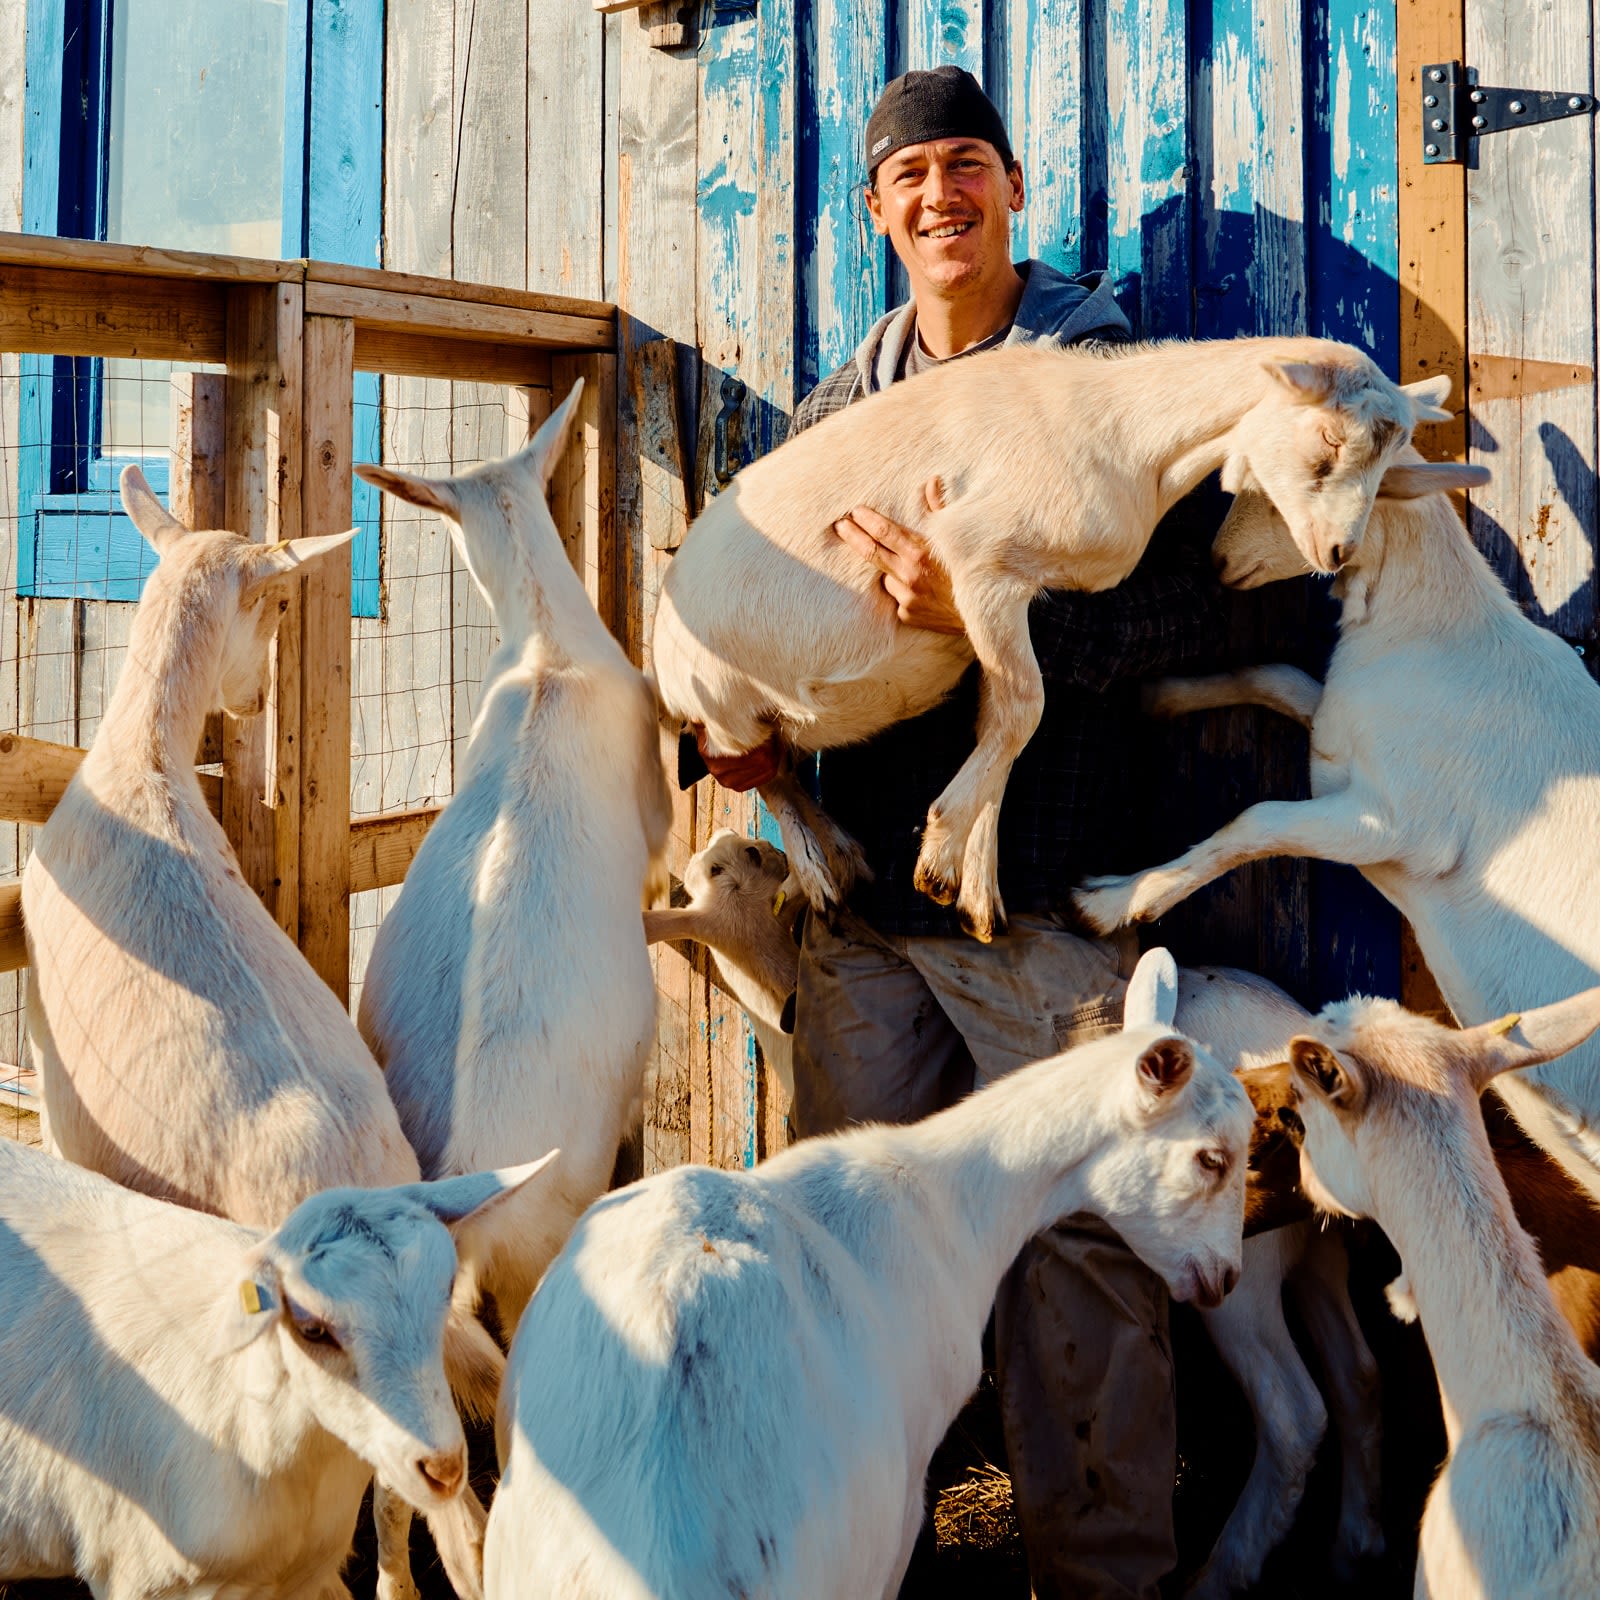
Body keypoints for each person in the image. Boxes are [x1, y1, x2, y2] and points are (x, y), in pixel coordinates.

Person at [698, 67, 1227, 1599]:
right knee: (847, 1228)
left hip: (1040, 903)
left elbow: (1200, 602)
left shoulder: (1099, 379)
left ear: (1013, 195)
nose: (940, 195)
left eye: (967, 167)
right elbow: (763, 606)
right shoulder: (839, 411)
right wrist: (748, 728)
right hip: (861, 908)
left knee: (1079, 1249)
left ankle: (1103, 1570)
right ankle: (864, 1556)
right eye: (910, 173)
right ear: (875, 211)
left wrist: (984, 612)